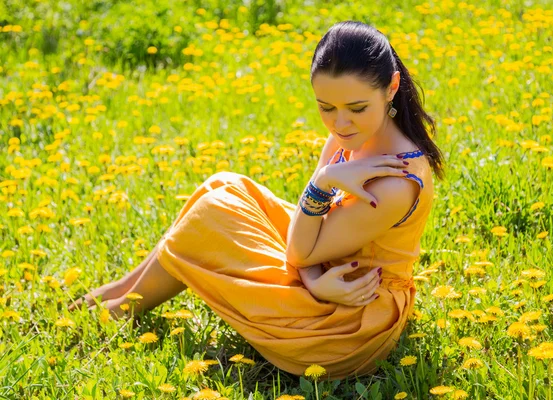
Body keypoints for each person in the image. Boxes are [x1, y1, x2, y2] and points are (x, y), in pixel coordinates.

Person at [68, 20, 445, 380]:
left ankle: (122, 309)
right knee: (225, 186)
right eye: (326, 108)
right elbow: (308, 249)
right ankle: (121, 292)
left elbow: (299, 250)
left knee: (214, 213)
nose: (339, 123)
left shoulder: (395, 185)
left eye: (356, 108)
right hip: (325, 275)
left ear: (391, 87)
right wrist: (312, 279)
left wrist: (322, 183)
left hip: (349, 319)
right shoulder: (351, 136)